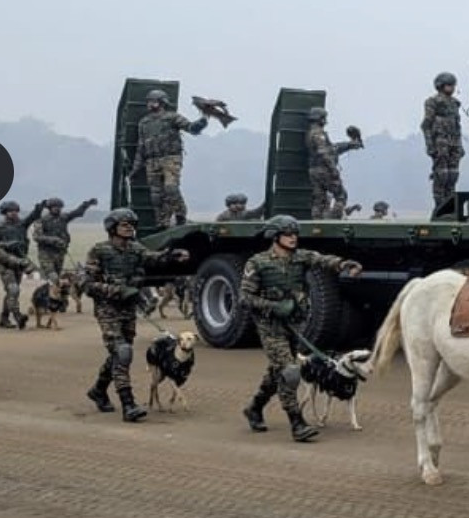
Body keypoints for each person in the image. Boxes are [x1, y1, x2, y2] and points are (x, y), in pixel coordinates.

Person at [238, 215, 363, 442]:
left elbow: (322, 260)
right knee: (289, 371)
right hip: (270, 326)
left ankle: (254, 407)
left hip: (295, 324)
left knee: (277, 370)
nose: (293, 238)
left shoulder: (301, 258)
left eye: (295, 234)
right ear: (276, 237)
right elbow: (245, 297)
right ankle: (297, 422)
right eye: (288, 234)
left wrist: (344, 264)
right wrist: (274, 306)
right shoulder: (257, 263)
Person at [81, 207, 191, 419]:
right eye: (124, 224)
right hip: (107, 309)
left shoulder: (135, 249)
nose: (129, 228)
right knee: (123, 352)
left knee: (119, 353)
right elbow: (87, 284)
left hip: (128, 309)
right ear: (112, 228)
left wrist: (171, 255)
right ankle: (128, 404)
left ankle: (98, 391)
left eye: (132, 225)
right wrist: (118, 290)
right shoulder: (99, 251)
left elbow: (153, 258)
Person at [132, 88, 207, 228]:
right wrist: (136, 168)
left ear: (161, 103)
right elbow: (141, 147)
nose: (149, 104)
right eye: (148, 101)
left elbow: (190, 128)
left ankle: (180, 215)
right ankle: (162, 223)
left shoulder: (172, 117)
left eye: (153, 101)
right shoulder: (144, 122)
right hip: (151, 161)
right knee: (156, 196)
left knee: (171, 188)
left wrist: (202, 122)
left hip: (170, 159)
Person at [421, 71, 466, 216]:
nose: (452, 88)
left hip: (454, 141)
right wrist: (429, 145)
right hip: (440, 141)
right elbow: (426, 125)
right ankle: (440, 207)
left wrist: (460, 145)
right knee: (442, 175)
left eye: (453, 85)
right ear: (440, 86)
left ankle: (450, 205)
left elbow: (457, 125)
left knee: (453, 175)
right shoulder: (433, 102)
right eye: (448, 85)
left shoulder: (454, 103)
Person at [306, 106, 362, 219]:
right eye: (324, 118)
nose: (326, 121)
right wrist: (333, 169)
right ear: (320, 119)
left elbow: (331, 149)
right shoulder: (319, 134)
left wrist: (348, 145)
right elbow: (324, 153)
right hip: (324, 170)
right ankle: (332, 221)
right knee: (341, 195)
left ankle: (317, 224)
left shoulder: (310, 133)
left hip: (314, 171)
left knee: (319, 200)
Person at [0, 200, 42, 327]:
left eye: (15, 211)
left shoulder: (21, 224)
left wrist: (38, 209)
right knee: (13, 289)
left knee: (12, 292)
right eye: (11, 211)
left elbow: (32, 218)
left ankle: (4, 319)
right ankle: (18, 316)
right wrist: (7, 244)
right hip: (4, 262)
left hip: (20, 262)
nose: (14, 213)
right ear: (4, 212)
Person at [31, 196, 98, 285]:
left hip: (59, 253)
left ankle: (51, 296)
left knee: (56, 279)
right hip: (46, 254)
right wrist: (53, 240)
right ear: (50, 208)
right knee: (53, 277)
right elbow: (37, 236)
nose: (57, 209)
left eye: (59, 207)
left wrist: (86, 204)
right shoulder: (42, 221)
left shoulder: (63, 218)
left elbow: (76, 213)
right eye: (55, 207)